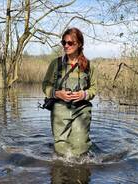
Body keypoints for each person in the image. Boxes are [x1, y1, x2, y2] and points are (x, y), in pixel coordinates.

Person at [42, 27, 97, 157]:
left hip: (82, 111)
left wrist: (84, 94)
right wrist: (56, 94)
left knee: (81, 147)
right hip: (59, 111)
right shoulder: (55, 64)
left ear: (79, 44)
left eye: (70, 43)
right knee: (61, 149)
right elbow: (45, 85)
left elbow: (94, 89)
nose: (66, 46)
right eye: (64, 43)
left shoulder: (88, 66)